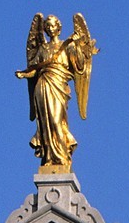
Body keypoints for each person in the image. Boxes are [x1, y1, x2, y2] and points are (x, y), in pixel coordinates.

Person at [16, 13, 97, 174]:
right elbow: (36, 69)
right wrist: (25, 74)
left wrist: (79, 47)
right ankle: (48, 158)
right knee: (45, 122)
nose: (50, 29)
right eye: (48, 27)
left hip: (58, 85)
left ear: (59, 28)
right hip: (43, 85)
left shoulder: (67, 46)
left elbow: (79, 66)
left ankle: (61, 157)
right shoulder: (43, 49)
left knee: (56, 120)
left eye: (53, 26)